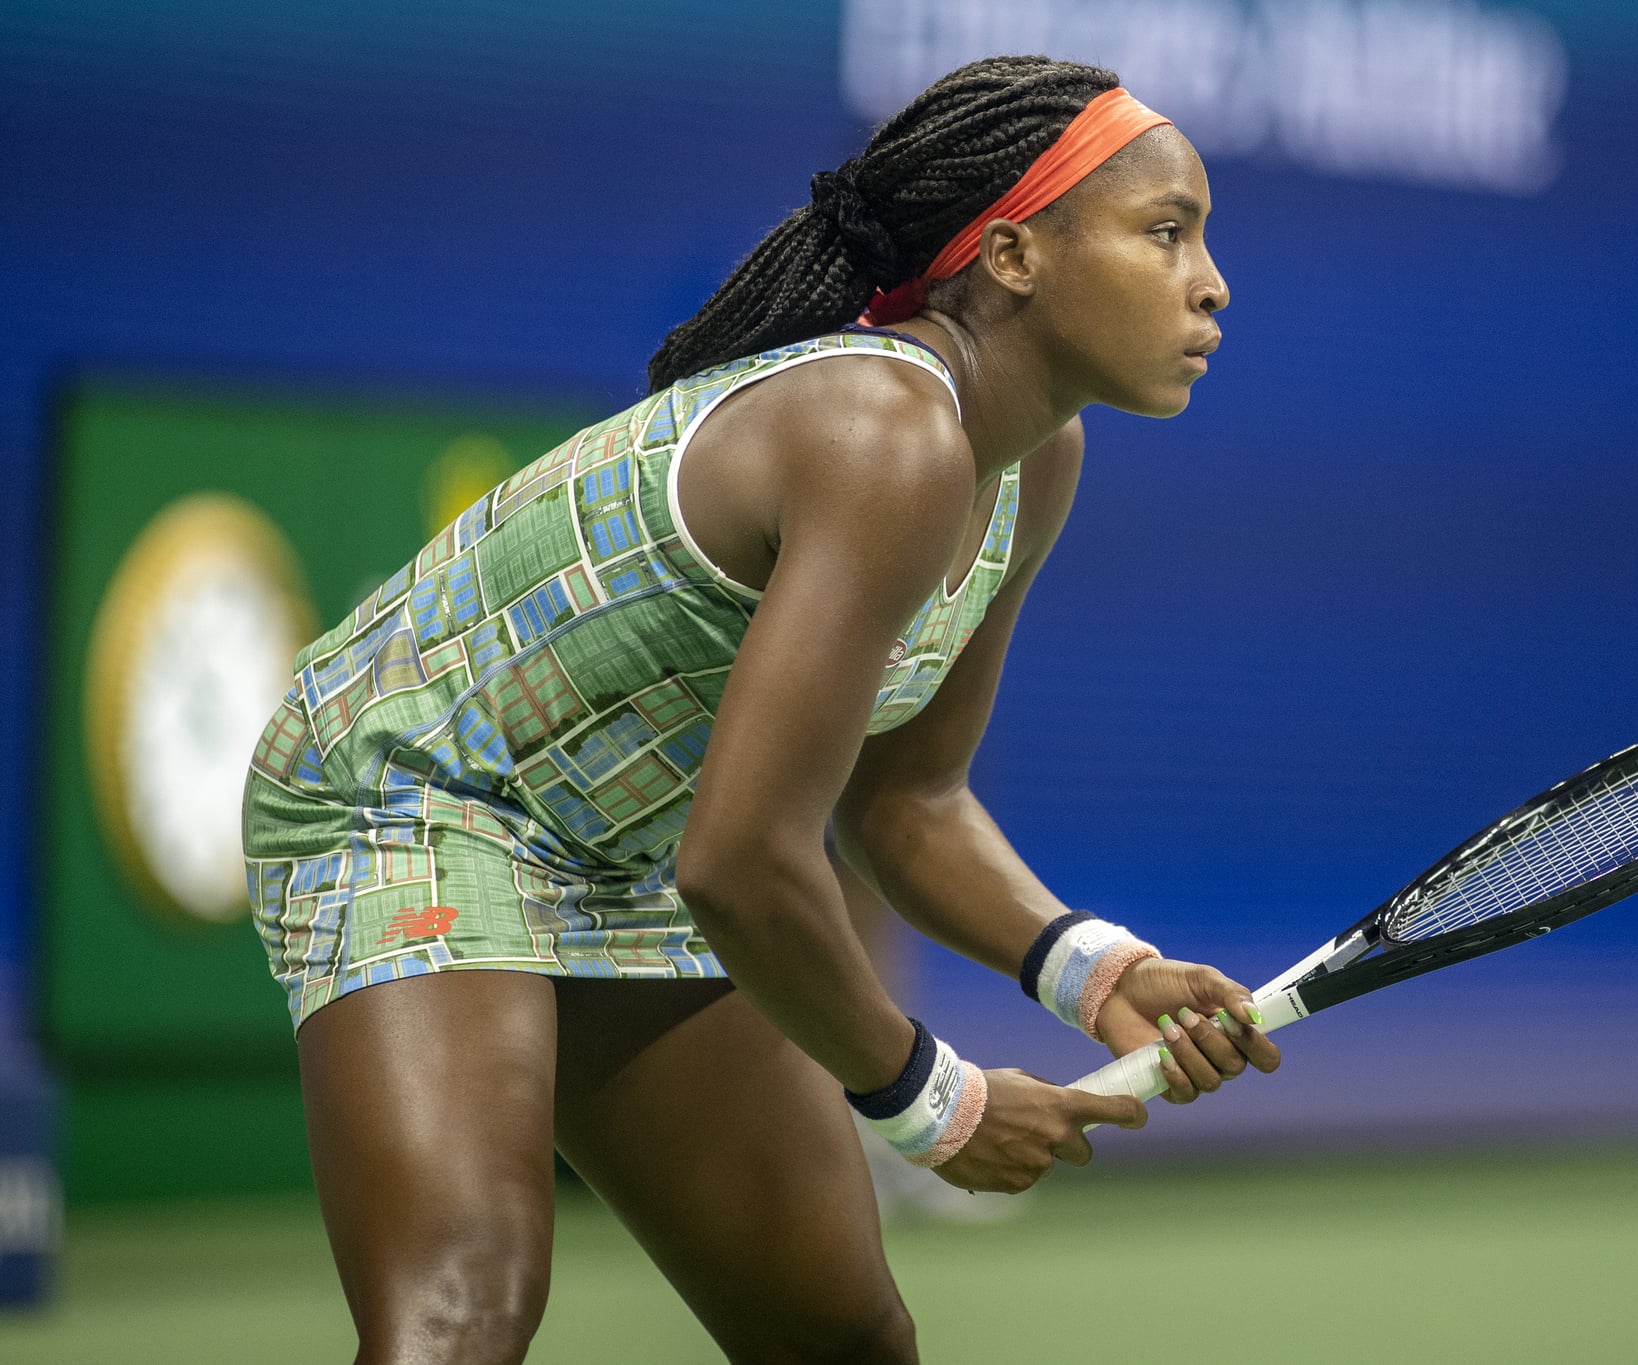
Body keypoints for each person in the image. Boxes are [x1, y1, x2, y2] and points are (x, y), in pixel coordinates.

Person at [242, 54, 1279, 1364]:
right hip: (409, 789)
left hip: (622, 847)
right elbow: (740, 862)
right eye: (1165, 231)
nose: (1211, 280)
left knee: (837, 1329)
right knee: (463, 1309)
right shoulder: (885, 433)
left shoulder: (1034, 461)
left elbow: (906, 800)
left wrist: (1093, 965)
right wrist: (935, 1101)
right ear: (1014, 256)